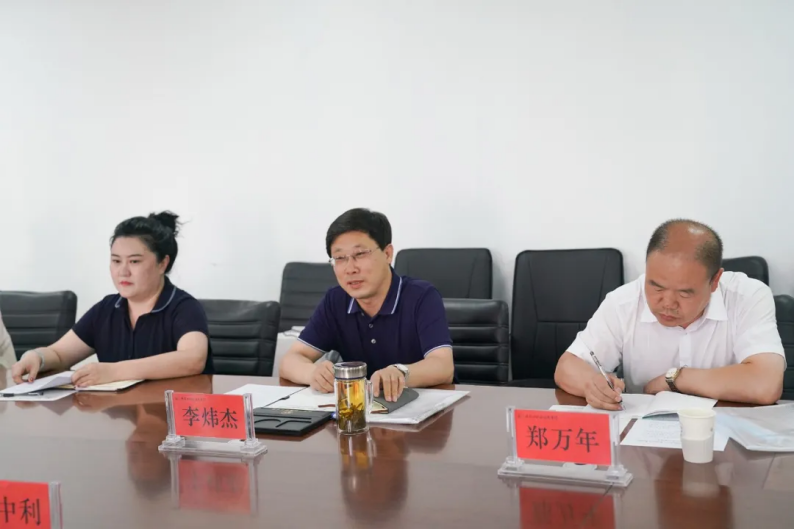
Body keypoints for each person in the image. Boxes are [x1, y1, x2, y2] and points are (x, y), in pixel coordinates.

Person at [555, 219, 785, 410]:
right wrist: (592, 385)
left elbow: (765, 384)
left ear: (715, 281)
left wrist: (675, 379)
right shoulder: (623, 302)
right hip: (642, 435)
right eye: (656, 287)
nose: (667, 303)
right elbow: (568, 366)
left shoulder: (747, 297)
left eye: (684, 293)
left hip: (724, 432)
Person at [11, 211, 213, 387]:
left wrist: (114, 371)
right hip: (121, 416)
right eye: (116, 261)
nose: (123, 271)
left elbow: (192, 359)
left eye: (134, 261)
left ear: (162, 263)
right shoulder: (106, 309)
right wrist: (36, 357)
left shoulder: (184, 307)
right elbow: (60, 354)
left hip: (171, 415)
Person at [279, 208, 454, 402]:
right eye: (340, 258)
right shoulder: (336, 301)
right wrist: (313, 373)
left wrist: (401, 373)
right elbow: (290, 360)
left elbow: (443, 366)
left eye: (360, 254)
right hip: (360, 411)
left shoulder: (421, 297)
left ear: (387, 254)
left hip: (421, 408)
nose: (350, 268)